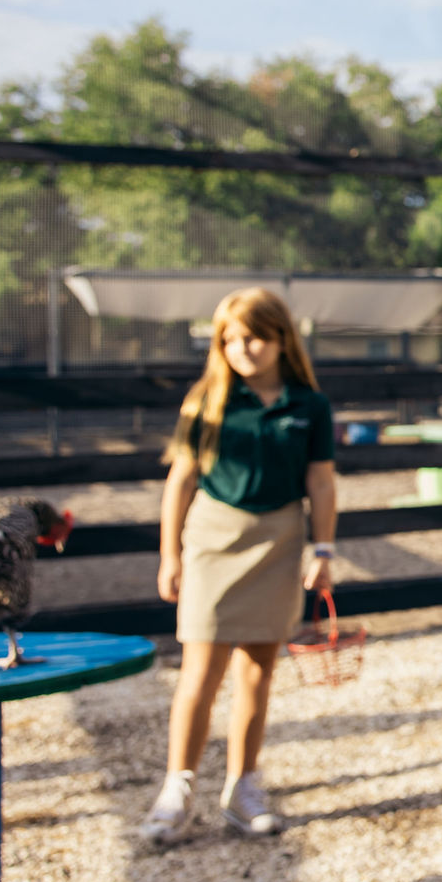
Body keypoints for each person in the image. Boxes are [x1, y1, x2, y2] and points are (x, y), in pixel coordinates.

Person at [140, 287, 337, 844]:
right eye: (230, 339)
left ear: (280, 340)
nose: (242, 348)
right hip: (213, 541)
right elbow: (180, 481)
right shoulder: (206, 400)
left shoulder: (309, 406)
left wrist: (322, 550)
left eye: (254, 337)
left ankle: (243, 788)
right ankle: (176, 789)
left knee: (258, 670)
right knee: (200, 672)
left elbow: (321, 481)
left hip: (278, 542)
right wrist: (170, 554)